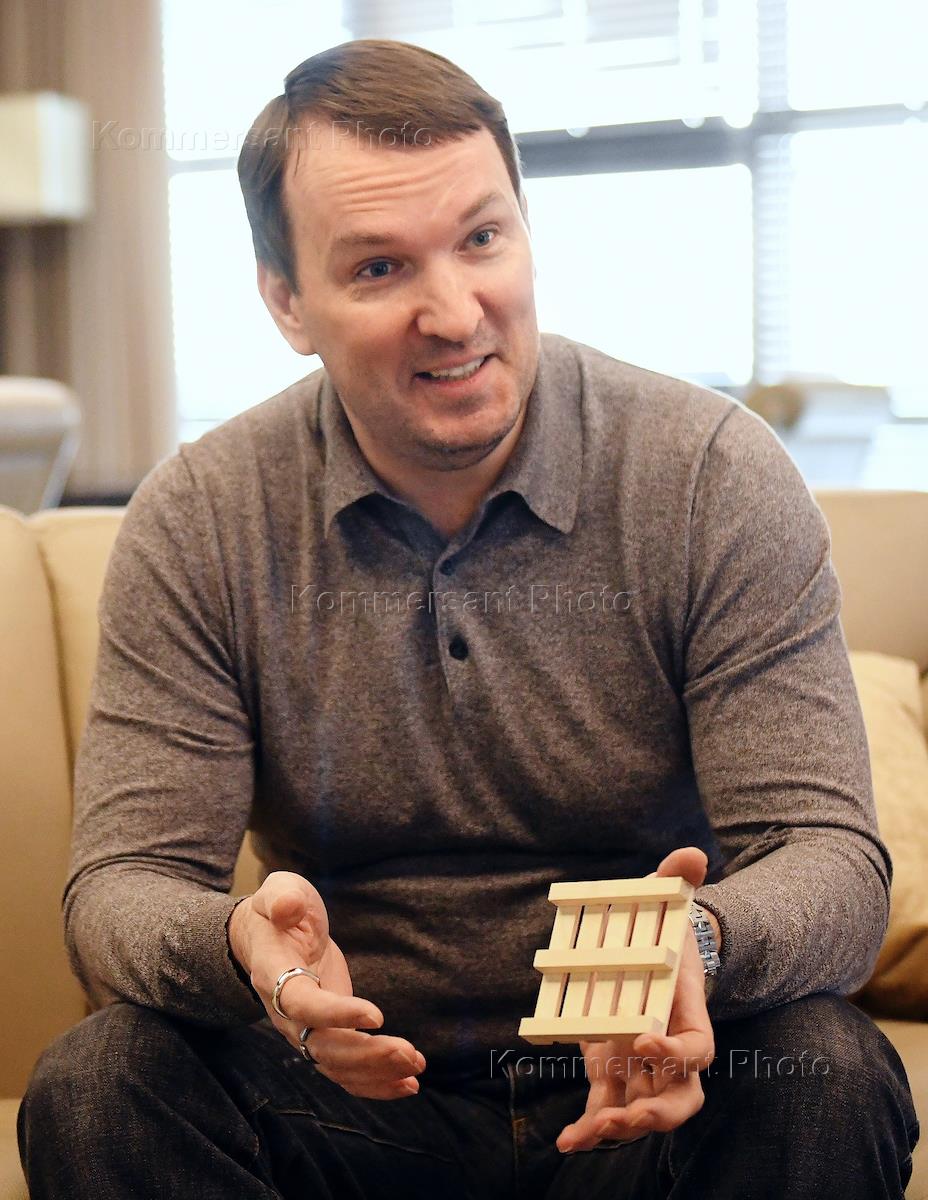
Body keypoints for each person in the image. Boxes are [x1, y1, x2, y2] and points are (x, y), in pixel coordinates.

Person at [18, 38, 918, 1199]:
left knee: (825, 1068)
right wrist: (241, 951)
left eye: (482, 239)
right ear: (287, 301)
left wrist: (691, 949)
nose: (454, 313)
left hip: (645, 1098)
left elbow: (832, 860)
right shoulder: (202, 518)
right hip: (348, 1105)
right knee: (99, 1082)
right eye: (379, 267)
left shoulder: (709, 475)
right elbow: (119, 887)